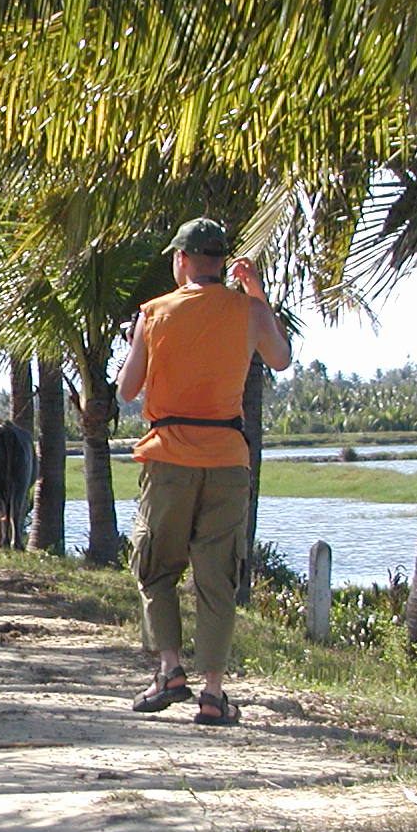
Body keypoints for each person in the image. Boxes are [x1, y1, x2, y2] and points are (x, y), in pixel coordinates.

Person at [116, 218, 291, 726]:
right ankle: (213, 694)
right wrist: (256, 293)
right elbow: (280, 359)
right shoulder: (248, 310)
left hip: (168, 456)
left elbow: (127, 389)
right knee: (217, 578)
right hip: (228, 459)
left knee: (156, 568)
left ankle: (170, 669)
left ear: (182, 260)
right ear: (221, 262)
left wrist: (138, 341)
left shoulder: (155, 313)